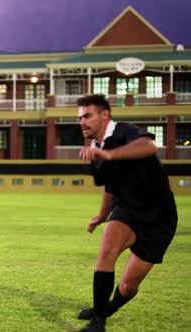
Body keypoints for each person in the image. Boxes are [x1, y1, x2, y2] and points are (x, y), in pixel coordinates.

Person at [76, 94, 178, 332]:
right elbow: (109, 188)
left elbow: (149, 145)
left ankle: (106, 308)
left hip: (160, 217)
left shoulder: (125, 131)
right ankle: (98, 322)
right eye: (80, 117)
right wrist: (102, 216)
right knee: (106, 253)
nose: (82, 122)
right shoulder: (94, 150)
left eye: (88, 115)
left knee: (129, 287)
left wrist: (110, 154)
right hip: (127, 210)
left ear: (104, 115)